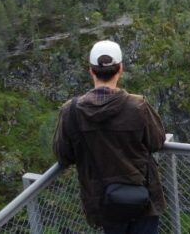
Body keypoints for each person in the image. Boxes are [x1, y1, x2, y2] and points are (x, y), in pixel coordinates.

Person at [53, 40, 166, 234]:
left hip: (103, 201)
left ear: (91, 70)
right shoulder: (137, 106)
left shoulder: (71, 111)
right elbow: (156, 141)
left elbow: (63, 155)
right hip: (142, 198)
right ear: (120, 68)